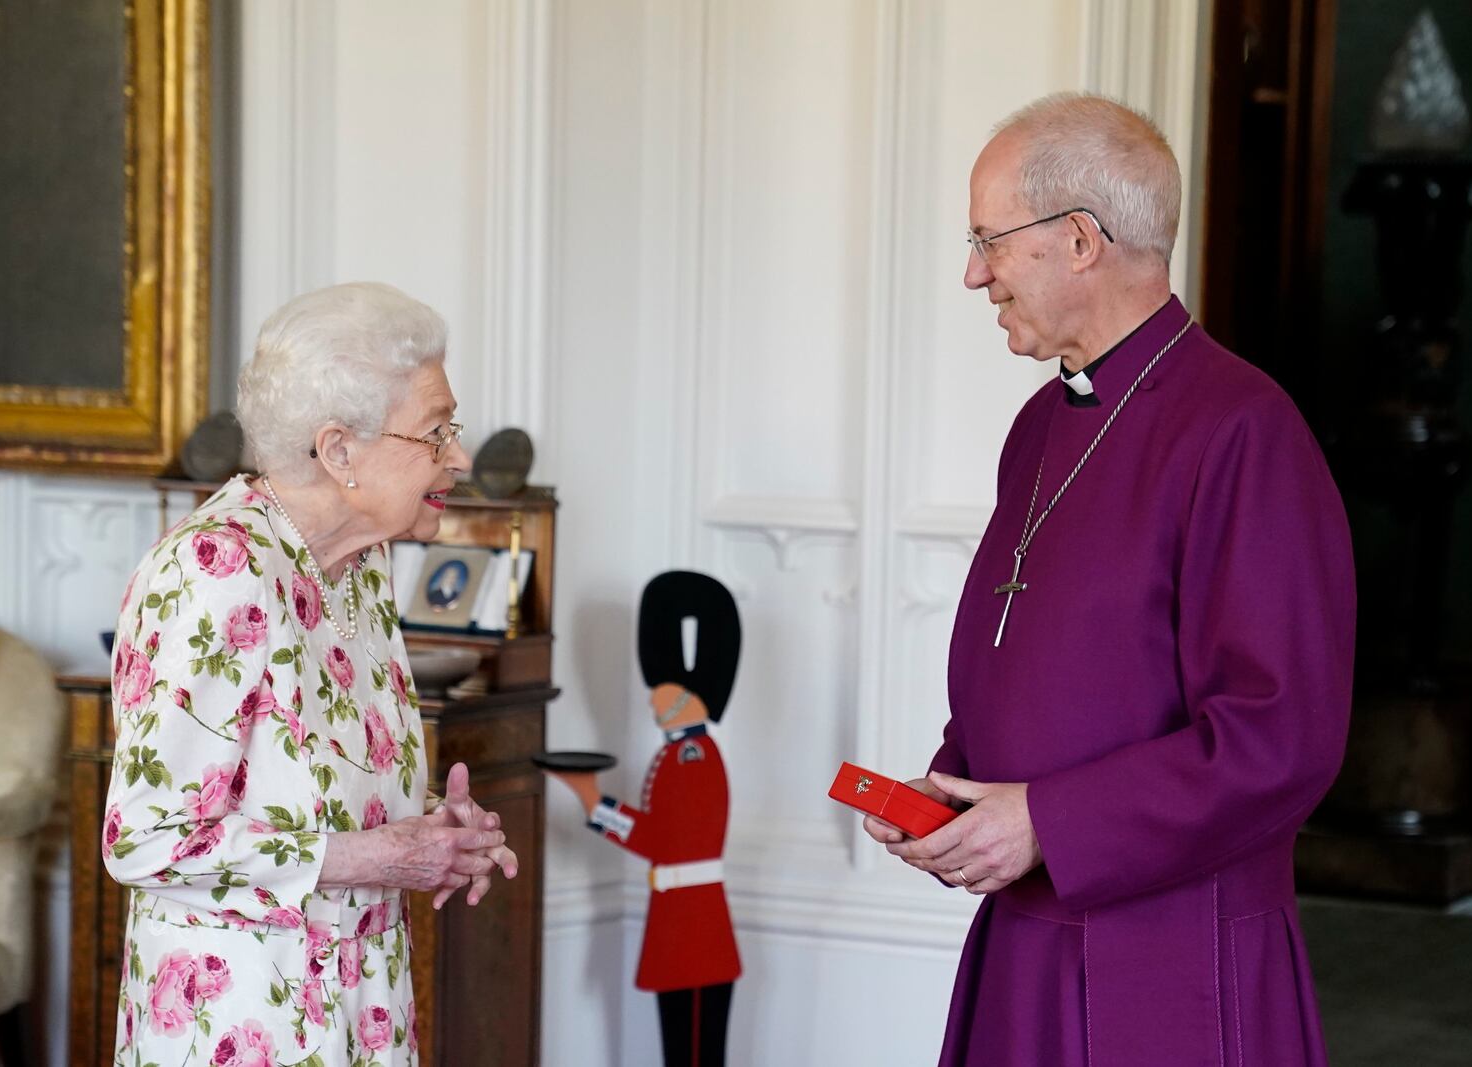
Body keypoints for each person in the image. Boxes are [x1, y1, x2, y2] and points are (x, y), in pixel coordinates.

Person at [862, 94, 1355, 1066]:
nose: (972, 273)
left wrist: (1046, 819)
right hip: (1024, 943)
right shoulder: (1039, 425)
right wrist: (964, 802)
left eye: (987, 239)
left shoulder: (1243, 429)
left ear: (1080, 239)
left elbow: (1279, 733)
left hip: (1171, 956)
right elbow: (1049, 658)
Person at [103, 282, 518, 1065]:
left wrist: (433, 830)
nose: (459, 456)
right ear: (338, 451)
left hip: (359, 1010)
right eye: (436, 432)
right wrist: (377, 857)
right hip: (243, 1020)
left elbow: (304, 780)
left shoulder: (360, 565)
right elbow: (146, 837)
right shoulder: (215, 570)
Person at [545, 571, 743, 1066]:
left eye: (664, 690)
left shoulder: (694, 756)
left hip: (694, 926)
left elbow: (665, 839)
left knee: (693, 1052)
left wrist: (596, 804)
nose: (653, 699)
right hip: (680, 920)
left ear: (690, 700)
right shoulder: (679, 753)